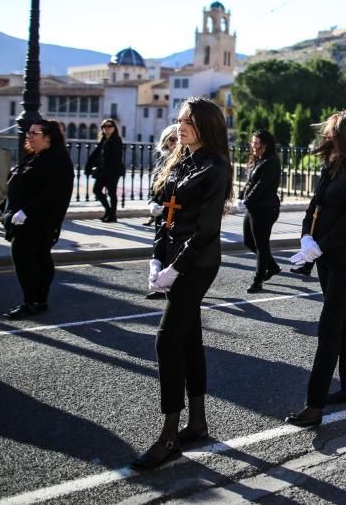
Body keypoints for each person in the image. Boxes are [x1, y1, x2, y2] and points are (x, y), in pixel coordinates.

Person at [132, 97, 233, 470]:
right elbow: (165, 216)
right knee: (189, 337)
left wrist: (175, 269)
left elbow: (206, 230)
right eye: (179, 120)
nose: (181, 126)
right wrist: (157, 257)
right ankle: (199, 423)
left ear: (206, 125)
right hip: (174, 257)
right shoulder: (181, 159)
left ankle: (170, 436)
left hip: (198, 262)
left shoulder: (216, 167)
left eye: (188, 121)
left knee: (167, 338)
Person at [285, 111, 346, 428]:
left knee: (329, 326)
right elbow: (316, 203)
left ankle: (313, 405)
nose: (327, 138)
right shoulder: (333, 164)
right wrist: (306, 236)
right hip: (325, 252)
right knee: (343, 319)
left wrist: (320, 245)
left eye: (332, 133)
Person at [0, 120, 74, 320]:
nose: (29, 136)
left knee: (27, 260)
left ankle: (32, 302)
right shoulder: (34, 156)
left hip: (38, 221)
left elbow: (53, 193)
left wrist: (27, 211)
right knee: (38, 258)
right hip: (22, 219)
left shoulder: (57, 160)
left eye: (34, 133)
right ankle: (38, 301)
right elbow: (18, 185)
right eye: (29, 132)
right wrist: (1, 207)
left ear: (48, 137)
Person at [240, 130, 282, 293]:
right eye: (253, 142)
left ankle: (258, 280)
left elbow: (261, 186)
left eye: (257, 143)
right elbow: (250, 182)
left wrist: (246, 200)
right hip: (253, 207)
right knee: (248, 242)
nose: (254, 146)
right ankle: (272, 267)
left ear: (265, 145)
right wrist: (240, 196)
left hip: (265, 208)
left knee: (261, 245)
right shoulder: (258, 160)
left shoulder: (271, 162)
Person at [85, 118, 125, 222]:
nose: (107, 128)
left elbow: (116, 158)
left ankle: (113, 215)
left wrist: (109, 171)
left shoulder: (116, 140)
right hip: (102, 171)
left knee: (112, 193)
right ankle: (108, 211)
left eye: (109, 126)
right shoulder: (103, 140)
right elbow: (96, 155)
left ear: (114, 128)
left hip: (112, 172)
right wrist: (88, 167)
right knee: (96, 190)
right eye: (104, 126)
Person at [145, 125, 179, 227]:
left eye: (179, 140)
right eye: (172, 139)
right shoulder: (162, 160)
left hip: (177, 216)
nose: (176, 143)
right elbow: (155, 186)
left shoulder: (188, 162)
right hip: (161, 213)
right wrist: (152, 203)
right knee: (160, 240)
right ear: (165, 141)